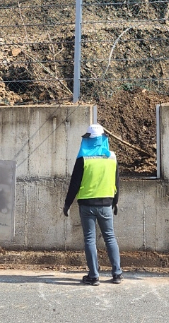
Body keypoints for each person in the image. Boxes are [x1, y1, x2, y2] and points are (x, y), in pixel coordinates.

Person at [63, 123, 123, 286]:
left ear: (88, 139)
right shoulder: (112, 157)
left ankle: (94, 275)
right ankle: (117, 273)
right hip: (106, 203)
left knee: (90, 239)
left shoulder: (83, 158)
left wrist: (67, 204)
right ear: (103, 139)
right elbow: (116, 181)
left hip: (87, 204)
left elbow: (74, 184)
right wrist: (115, 201)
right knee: (110, 237)